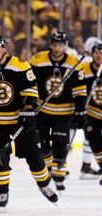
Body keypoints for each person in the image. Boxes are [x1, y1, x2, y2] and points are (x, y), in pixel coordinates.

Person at [0, 35, 58, 212]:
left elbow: (31, 89)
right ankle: (2, 193)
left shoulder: (20, 64)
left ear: (5, 48)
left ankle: (44, 185)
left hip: (21, 120)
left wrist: (28, 108)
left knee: (35, 155)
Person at [30, 31, 87, 192]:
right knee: (42, 143)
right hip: (43, 109)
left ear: (66, 46)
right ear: (50, 44)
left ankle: (59, 176)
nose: (57, 48)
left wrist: (80, 110)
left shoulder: (74, 62)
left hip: (64, 111)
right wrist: (30, 102)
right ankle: (49, 166)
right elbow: (30, 83)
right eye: (55, 45)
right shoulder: (38, 60)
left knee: (60, 145)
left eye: (61, 45)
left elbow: (79, 90)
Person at [83, 42, 102, 185]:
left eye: (101, 53)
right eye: (96, 52)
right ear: (92, 53)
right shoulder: (85, 70)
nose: (99, 55)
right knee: (94, 141)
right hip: (91, 112)